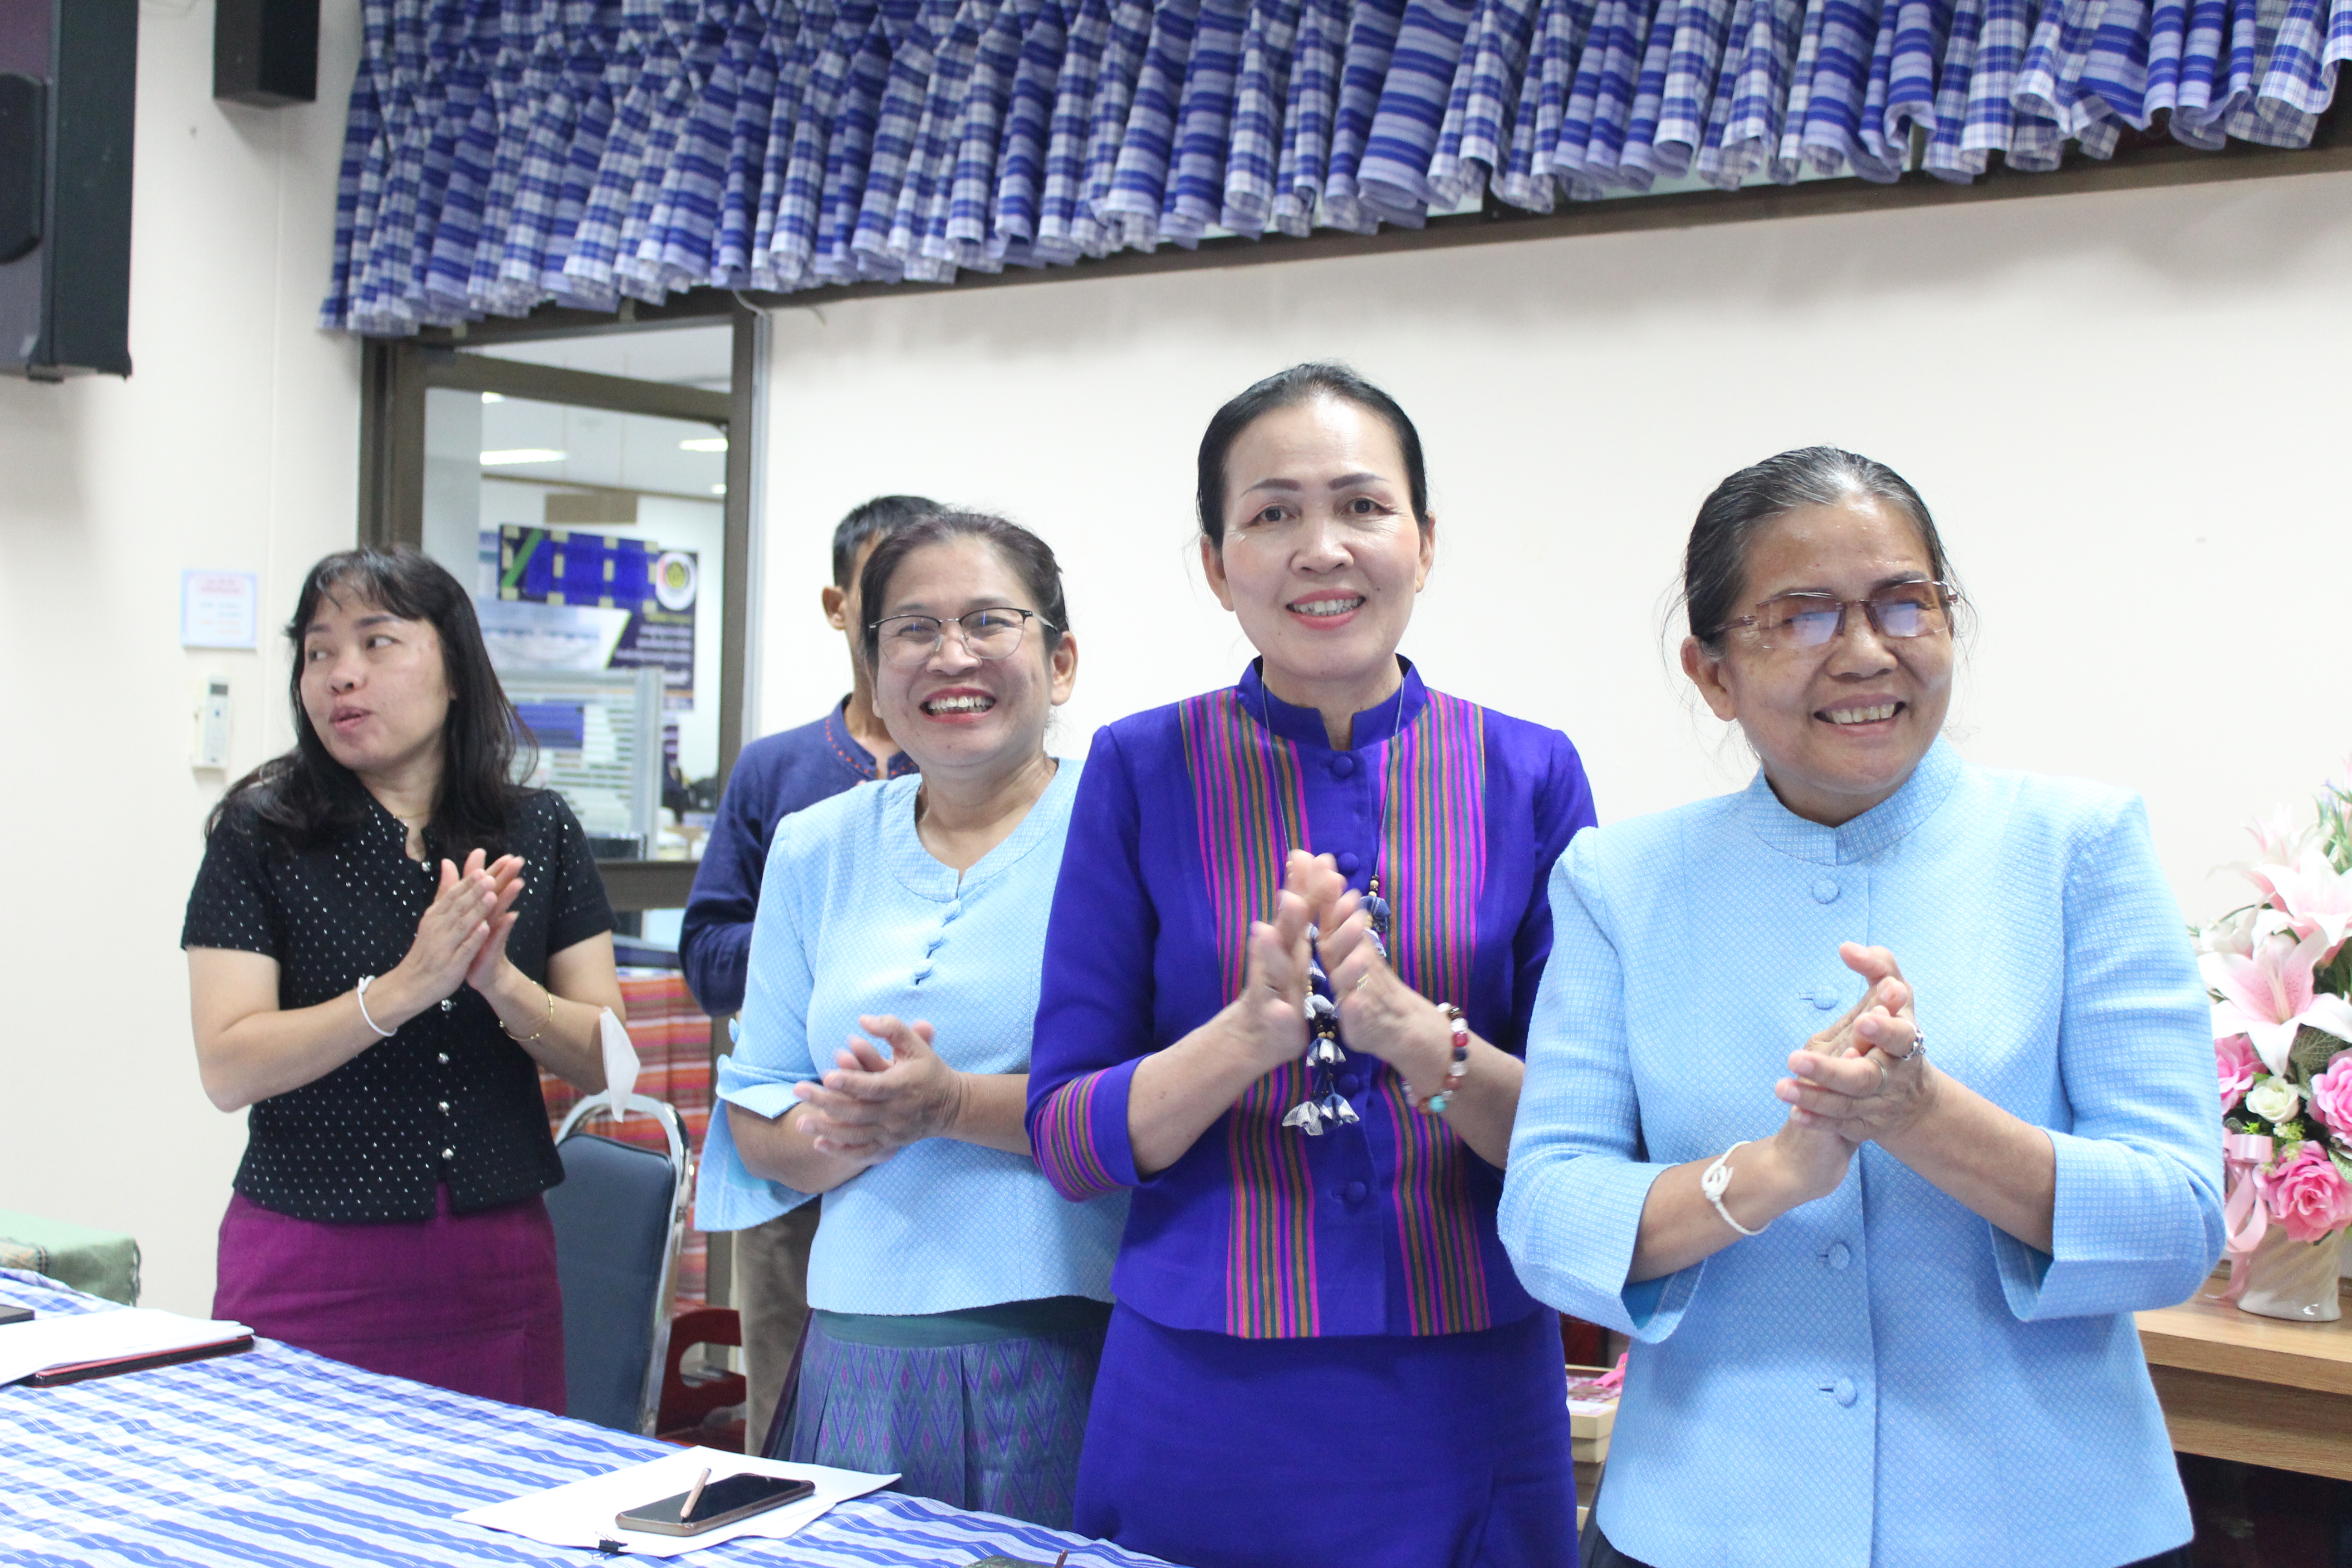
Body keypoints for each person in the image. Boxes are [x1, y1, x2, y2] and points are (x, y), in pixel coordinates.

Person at [1499, 447, 2223, 1568]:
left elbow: (2177, 1221)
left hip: (2048, 1523)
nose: (1867, 652)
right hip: (1708, 1523)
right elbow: (1548, 1218)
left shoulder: (2078, 849)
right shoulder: (1620, 884)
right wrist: (1773, 1174)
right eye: (1802, 617)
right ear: (1712, 673)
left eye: (1904, 603)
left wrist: (1923, 1115)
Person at [1025, 363, 1597, 1568]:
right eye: (1273, 513)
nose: (1320, 548)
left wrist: (1413, 1038)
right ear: (1217, 561)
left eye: (1362, 507)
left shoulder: (1531, 775)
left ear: (1426, 542)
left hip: (1467, 1374)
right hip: (1201, 1384)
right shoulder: (1138, 772)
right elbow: (1068, 1140)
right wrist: (1240, 1040)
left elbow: (1587, 1139)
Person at [695, 511, 1128, 1527]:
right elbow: (755, 1116)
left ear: (1060, 663)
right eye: (914, 631)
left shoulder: (1122, 828)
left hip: (1067, 1346)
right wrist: (862, 1124)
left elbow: (1151, 1108)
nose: (952, 655)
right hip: (853, 1350)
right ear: (876, 671)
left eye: (989, 622)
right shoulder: (814, 846)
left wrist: (948, 1108)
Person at [184, 547, 624, 1411]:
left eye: (376, 644)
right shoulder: (260, 831)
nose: (341, 677)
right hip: (309, 1257)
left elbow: (613, 1064)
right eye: (318, 653)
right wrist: (405, 988)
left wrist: (502, 985)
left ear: (455, 667)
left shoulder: (535, 828)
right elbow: (229, 1068)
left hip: (497, 1269)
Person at [681, 493, 935, 1449]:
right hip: (792, 1140)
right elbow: (707, 960)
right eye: (888, 594)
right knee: (786, 1417)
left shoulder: (978, 767)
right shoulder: (777, 770)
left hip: (933, 1160)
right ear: (840, 607)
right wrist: (824, 952)